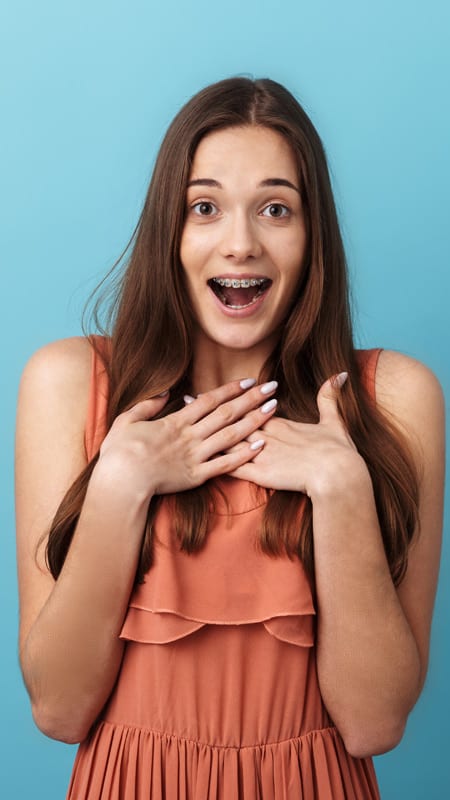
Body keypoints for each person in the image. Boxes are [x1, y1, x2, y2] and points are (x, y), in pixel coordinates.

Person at [15, 77, 444, 800]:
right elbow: (59, 709)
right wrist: (122, 483)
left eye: (276, 209)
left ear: (313, 237)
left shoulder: (395, 398)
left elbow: (374, 724)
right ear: (169, 232)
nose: (240, 244)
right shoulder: (70, 384)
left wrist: (340, 486)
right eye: (204, 208)